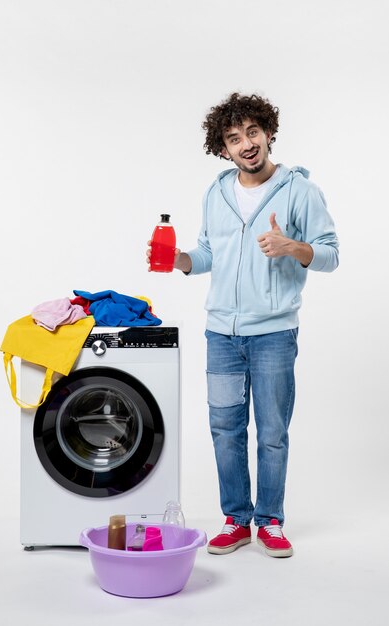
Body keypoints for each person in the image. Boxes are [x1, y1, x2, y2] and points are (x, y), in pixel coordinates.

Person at [147, 92, 339, 557]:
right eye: (234, 138)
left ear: (269, 133)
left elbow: (330, 255)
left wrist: (292, 247)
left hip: (274, 333)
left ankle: (270, 521)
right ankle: (236, 519)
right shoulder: (216, 192)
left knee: (272, 432)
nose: (246, 144)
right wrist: (180, 261)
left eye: (253, 132)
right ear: (224, 148)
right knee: (225, 430)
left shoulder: (300, 191)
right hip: (222, 336)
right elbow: (209, 254)